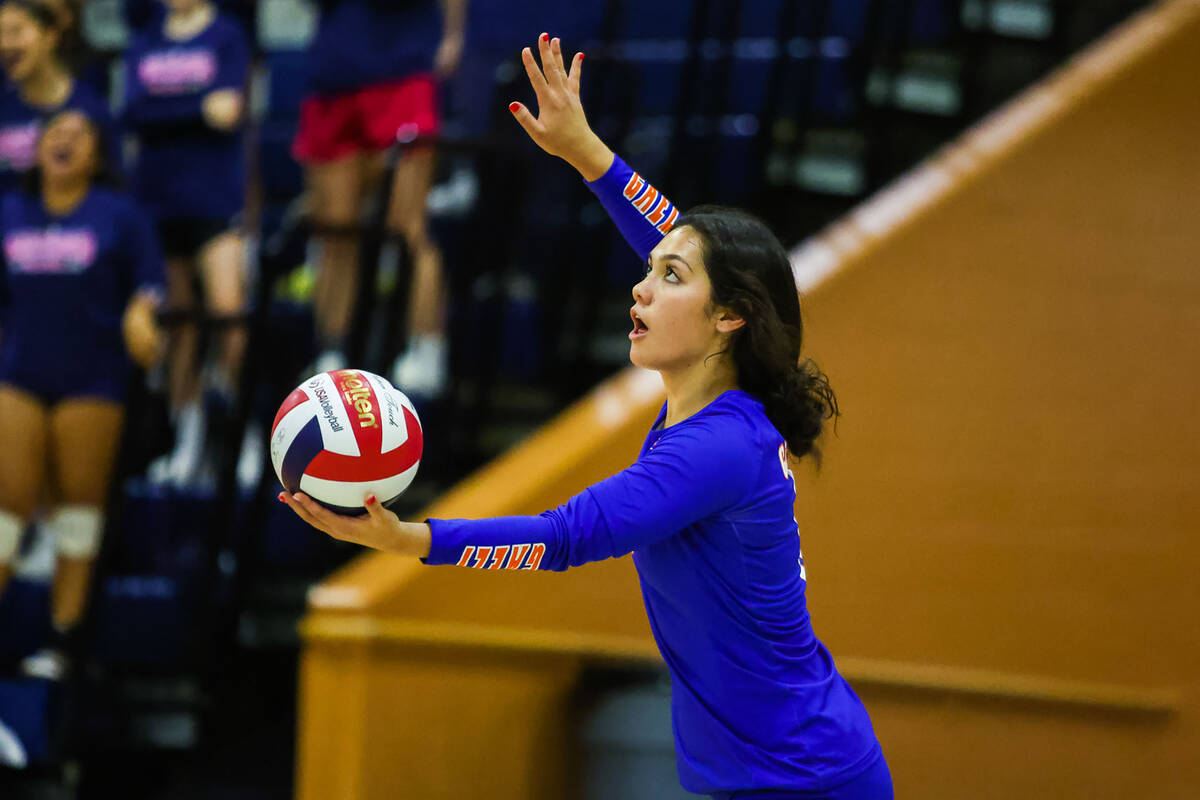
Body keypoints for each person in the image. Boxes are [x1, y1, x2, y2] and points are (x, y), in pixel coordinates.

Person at [281, 34, 893, 800]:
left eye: (667, 280)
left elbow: (567, 536)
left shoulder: (715, 450)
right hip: (769, 771)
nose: (641, 288)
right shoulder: (724, 405)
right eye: (648, 272)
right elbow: (674, 240)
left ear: (730, 318)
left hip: (800, 781)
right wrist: (589, 154)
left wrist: (411, 539)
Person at [0, 109, 164, 679]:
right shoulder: (10, 213)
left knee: (78, 511)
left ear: (96, 156)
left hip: (93, 378)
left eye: (79, 136)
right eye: (54, 134)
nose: (64, 141)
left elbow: (151, 284)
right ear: (38, 149)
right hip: (19, 373)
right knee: (6, 506)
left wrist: (143, 313)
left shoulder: (121, 217)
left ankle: (62, 642)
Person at [292, 0, 467, 397]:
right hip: (334, 75)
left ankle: (426, 345)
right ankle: (331, 355)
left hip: (403, 70)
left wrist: (454, 36)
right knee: (335, 232)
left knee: (407, 226)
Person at [123, 0, 250, 486]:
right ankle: (187, 431)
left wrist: (166, 112)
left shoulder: (226, 33)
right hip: (155, 199)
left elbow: (230, 111)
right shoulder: (147, 34)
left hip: (213, 197)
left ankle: (243, 429)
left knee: (228, 310)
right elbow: (132, 112)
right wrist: (197, 107)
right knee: (177, 325)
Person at [0, 0, 116, 194]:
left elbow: (112, 188)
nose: (4, 44)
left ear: (49, 36)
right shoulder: (3, 109)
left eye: (15, 31)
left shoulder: (91, 108)